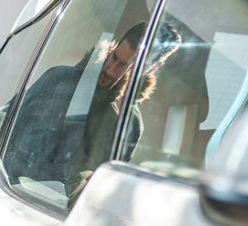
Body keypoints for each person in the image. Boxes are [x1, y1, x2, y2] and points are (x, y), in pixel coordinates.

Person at [66, 21, 180, 200]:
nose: (116, 70)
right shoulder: (64, 80)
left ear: (154, 68)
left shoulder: (130, 125)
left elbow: (100, 186)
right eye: (119, 59)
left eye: (137, 65)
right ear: (117, 46)